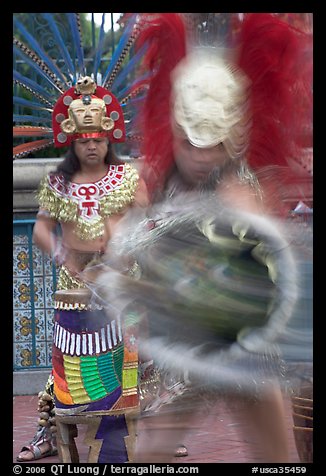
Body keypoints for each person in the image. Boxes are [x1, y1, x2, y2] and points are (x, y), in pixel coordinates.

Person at [94, 13, 312, 463]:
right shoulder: (161, 183)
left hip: (243, 349)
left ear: (230, 141)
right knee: (153, 446)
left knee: (274, 457)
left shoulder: (241, 187)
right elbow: (140, 250)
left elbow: (267, 262)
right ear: (175, 133)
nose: (200, 155)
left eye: (211, 145)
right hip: (189, 345)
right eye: (192, 143)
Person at [16, 75, 149, 463]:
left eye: (98, 139)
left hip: (124, 280)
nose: (91, 145)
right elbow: (42, 230)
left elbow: (149, 224)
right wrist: (62, 254)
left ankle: (145, 430)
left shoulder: (129, 179)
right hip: (74, 283)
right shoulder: (58, 182)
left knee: (137, 363)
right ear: (73, 142)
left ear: (109, 140)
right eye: (84, 140)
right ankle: (50, 432)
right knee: (69, 364)